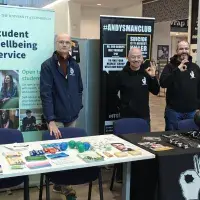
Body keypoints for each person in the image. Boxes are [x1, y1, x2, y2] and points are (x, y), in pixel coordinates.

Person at [40, 33, 83, 199]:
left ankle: (61, 184)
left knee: (70, 151)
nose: (64, 45)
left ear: (71, 45)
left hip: (71, 116)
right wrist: (50, 120)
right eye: (61, 42)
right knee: (59, 153)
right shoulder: (48, 66)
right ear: (56, 44)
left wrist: (77, 106)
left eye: (67, 42)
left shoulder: (74, 65)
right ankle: (67, 187)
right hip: (56, 119)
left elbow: (79, 88)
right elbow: (46, 94)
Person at [112, 47, 160, 129]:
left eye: (138, 57)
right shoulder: (121, 75)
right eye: (133, 57)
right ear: (128, 58)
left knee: (144, 141)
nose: (136, 59)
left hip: (144, 117)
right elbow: (112, 93)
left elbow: (156, 91)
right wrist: (121, 106)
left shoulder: (146, 74)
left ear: (142, 58)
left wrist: (153, 77)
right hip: (126, 116)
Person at [160, 40, 200, 131]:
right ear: (177, 51)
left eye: (186, 48)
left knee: (191, 140)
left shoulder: (195, 67)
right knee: (171, 139)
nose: (184, 51)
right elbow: (163, 83)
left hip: (192, 112)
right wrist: (177, 70)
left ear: (189, 50)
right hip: (174, 112)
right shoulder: (169, 67)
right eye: (181, 49)